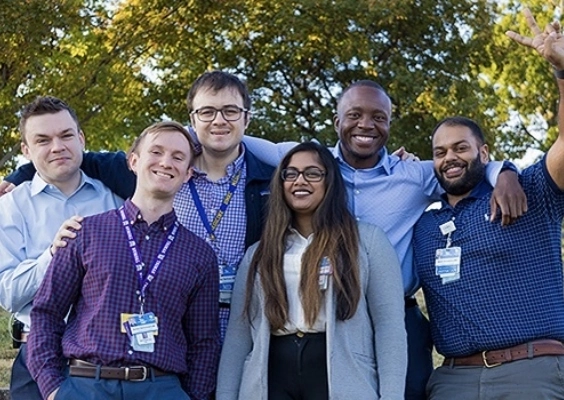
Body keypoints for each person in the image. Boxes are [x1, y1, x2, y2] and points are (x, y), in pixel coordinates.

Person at [231, 82, 526, 399]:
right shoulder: (314, 166)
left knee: (407, 391)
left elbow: (469, 166)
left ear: (388, 124)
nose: (366, 125)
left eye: (378, 117)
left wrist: (506, 173)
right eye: (354, 114)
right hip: (332, 318)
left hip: (397, 313)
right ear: (336, 121)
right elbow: (231, 136)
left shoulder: (415, 176)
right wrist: (188, 139)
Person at [1, 71, 275, 343]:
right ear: (193, 119)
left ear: (246, 117)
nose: (218, 120)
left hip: (242, 327)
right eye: (207, 112)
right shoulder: (149, 173)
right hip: (167, 328)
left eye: (230, 111)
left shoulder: (271, 182)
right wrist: (17, 177)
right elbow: (66, 158)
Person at [412, 9, 564, 399]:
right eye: (440, 152)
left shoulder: (528, 190)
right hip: (452, 380)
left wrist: (562, 73)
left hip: (530, 372)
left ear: (484, 151)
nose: (450, 158)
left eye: (461, 147)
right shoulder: (424, 224)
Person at [27, 121, 220, 400]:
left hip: (161, 388)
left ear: (188, 173)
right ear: (133, 161)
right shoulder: (85, 233)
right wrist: (53, 388)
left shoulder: (199, 254)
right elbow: (47, 313)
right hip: (86, 385)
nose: (166, 162)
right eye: (156, 152)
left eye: (178, 157)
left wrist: (194, 397)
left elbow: (204, 343)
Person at [217, 142, 406, 400]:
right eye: (291, 174)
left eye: (312, 173)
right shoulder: (259, 254)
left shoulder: (368, 242)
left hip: (340, 375)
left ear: (330, 182)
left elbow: (389, 326)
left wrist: (392, 396)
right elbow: (238, 337)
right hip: (272, 375)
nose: (300, 181)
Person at [0, 96, 123, 400]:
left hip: (107, 362)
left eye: (66, 135)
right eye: (43, 140)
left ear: (81, 139)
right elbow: (9, 295)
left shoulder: (117, 201)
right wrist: (53, 256)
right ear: (26, 151)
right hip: (39, 354)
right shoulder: (9, 207)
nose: (57, 146)